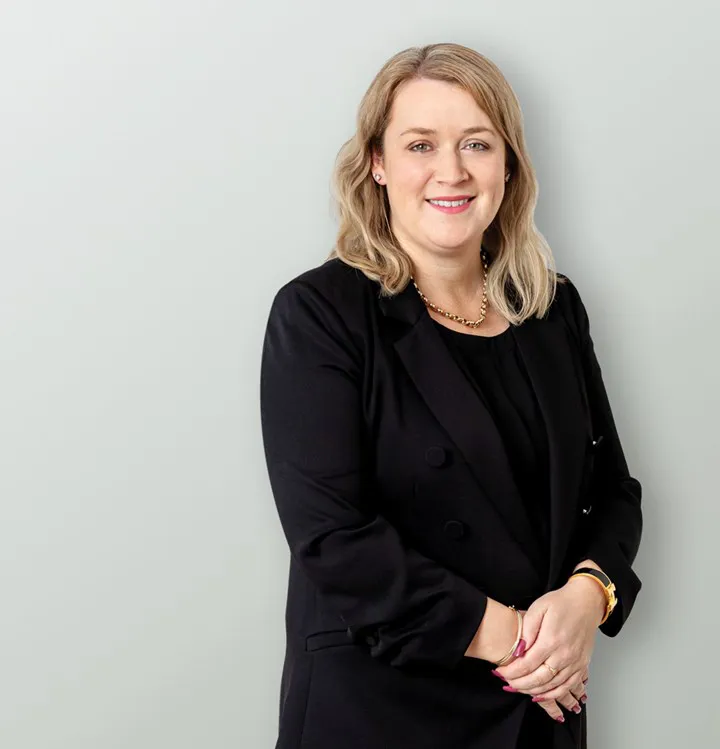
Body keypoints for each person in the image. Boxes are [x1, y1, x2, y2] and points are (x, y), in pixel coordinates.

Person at [259, 42, 642, 749]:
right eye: (420, 145)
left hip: (537, 716)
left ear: (508, 164)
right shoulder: (321, 314)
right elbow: (334, 538)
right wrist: (519, 641)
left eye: (476, 143)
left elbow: (612, 491)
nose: (452, 171)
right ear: (377, 163)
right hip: (382, 709)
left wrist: (591, 594)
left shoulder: (550, 308)